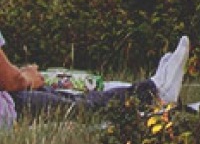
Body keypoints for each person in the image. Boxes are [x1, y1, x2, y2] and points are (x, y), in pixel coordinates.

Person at [0, 31, 188, 126]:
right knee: (81, 107)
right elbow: (11, 81)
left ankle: (153, 88)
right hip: (9, 109)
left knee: (67, 96)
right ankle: (155, 91)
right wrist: (26, 77)